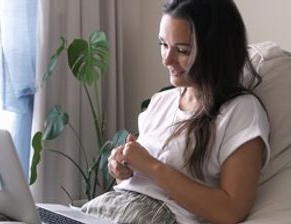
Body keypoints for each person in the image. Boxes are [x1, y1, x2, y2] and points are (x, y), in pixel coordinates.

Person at [80, 0, 270, 223]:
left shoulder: (241, 111)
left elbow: (231, 210)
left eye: (182, 50)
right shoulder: (161, 102)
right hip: (108, 207)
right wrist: (124, 168)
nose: (167, 59)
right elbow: (138, 184)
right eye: (163, 44)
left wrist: (151, 166)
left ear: (216, 51)